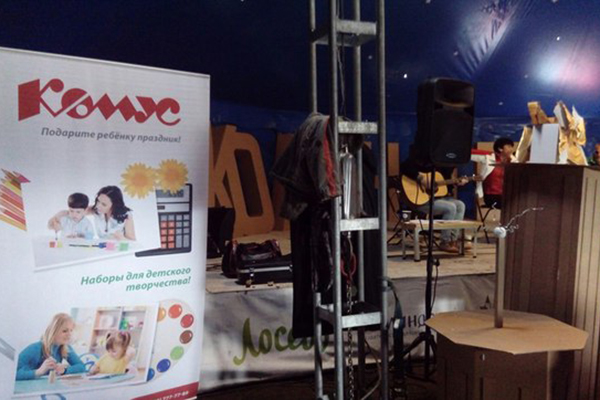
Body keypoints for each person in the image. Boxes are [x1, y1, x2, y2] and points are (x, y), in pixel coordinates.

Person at [401, 147, 468, 253]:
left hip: (436, 198)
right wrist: (421, 179)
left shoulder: (445, 165)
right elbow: (404, 167)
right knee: (450, 207)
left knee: (460, 205)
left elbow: (443, 186)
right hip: (421, 200)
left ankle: (452, 240)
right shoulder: (420, 158)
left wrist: (456, 183)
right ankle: (444, 242)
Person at [16, 313, 86, 380]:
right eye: (64, 331)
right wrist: (39, 372)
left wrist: (64, 370)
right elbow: (12, 373)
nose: (69, 334)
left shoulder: (65, 348)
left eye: (71, 330)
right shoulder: (35, 348)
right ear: (53, 332)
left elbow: (82, 367)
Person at [473, 137, 516, 209]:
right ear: (500, 149)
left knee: (519, 201)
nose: (511, 149)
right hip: (491, 196)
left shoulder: (513, 160)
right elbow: (469, 154)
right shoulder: (488, 158)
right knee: (511, 204)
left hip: (507, 195)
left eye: (512, 147)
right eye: (509, 147)